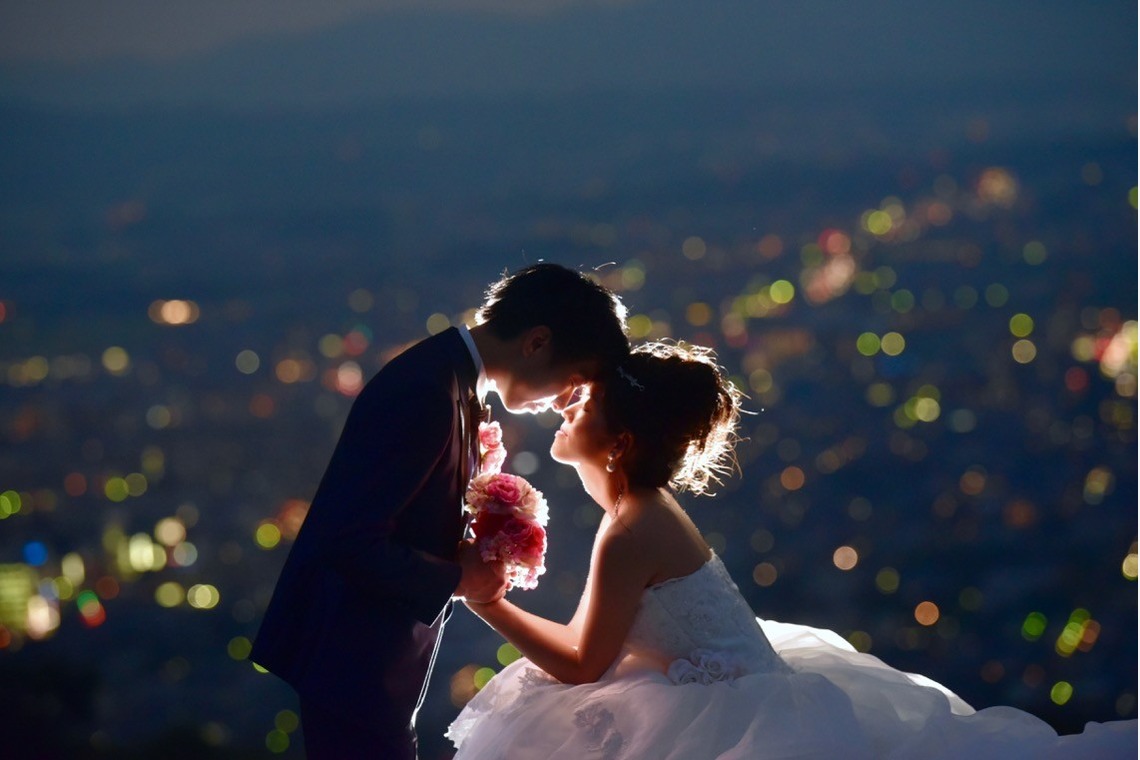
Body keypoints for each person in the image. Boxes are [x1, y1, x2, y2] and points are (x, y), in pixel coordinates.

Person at [448, 341, 1137, 759]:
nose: (569, 405)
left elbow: (581, 663)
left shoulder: (630, 529)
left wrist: (484, 597)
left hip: (736, 730)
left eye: (586, 400)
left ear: (620, 442)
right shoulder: (641, 512)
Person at [250, 263, 629, 759]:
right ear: (537, 342)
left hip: (372, 664)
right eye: (572, 383)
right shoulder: (426, 391)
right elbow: (344, 539)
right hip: (352, 664)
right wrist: (458, 578)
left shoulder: (450, 380)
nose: (564, 403)